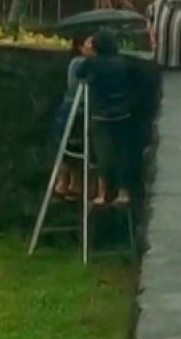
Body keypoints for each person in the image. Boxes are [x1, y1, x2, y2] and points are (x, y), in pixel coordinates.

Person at [83, 32, 142, 207]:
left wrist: (87, 56)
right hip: (122, 113)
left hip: (102, 115)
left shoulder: (94, 63)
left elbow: (80, 74)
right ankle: (123, 192)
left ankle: (102, 194)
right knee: (122, 153)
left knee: (103, 154)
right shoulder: (121, 62)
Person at [49, 34, 99, 199]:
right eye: (90, 43)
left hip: (79, 107)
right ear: (80, 46)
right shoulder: (79, 62)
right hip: (74, 107)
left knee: (76, 146)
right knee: (67, 145)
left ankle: (74, 183)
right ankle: (65, 182)